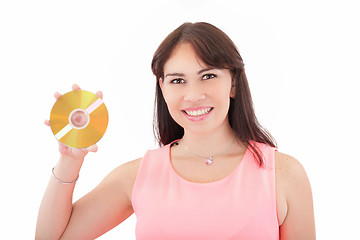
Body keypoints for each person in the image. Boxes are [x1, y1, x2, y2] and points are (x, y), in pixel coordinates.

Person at [36, 22, 316, 239]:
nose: (193, 95)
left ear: (233, 83)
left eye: (208, 76)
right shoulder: (136, 176)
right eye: (177, 80)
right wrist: (70, 160)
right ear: (162, 87)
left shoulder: (285, 174)